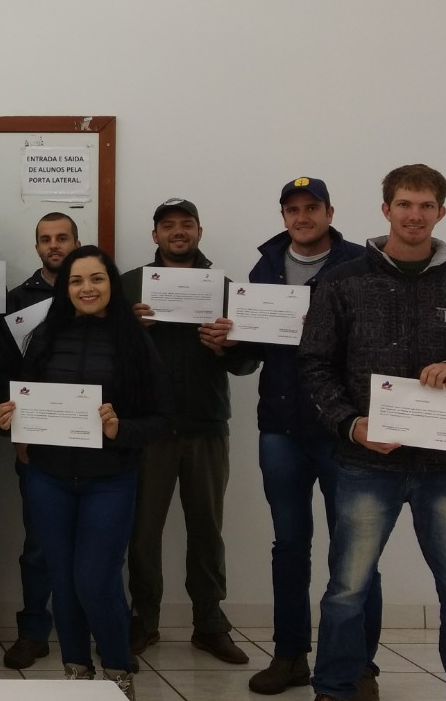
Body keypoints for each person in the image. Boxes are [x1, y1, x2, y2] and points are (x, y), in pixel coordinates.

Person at [302, 164, 446, 701]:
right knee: (347, 590)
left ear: (440, 212)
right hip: (365, 462)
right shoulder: (343, 281)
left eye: (425, 206)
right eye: (404, 204)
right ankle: (334, 689)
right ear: (386, 210)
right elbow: (315, 364)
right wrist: (351, 424)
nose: (414, 215)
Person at [213, 178, 380, 696]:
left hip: (344, 429)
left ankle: (358, 667)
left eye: (312, 208)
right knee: (289, 546)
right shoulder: (264, 267)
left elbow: (375, 341)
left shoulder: (360, 265)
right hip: (282, 426)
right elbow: (253, 352)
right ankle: (289, 657)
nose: (302, 217)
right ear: (283, 215)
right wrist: (229, 343)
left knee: (354, 551)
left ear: (330, 212)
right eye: (293, 209)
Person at [0, 246, 174, 701]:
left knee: (95, 580)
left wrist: (119, 428)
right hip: (48, 477)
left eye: (96, 279)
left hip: (109, 479)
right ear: (65, 288)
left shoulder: (135, 342)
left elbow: (163, 420)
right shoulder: (44, 336)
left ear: (111, 284)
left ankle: (118, 673)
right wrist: (8, 419)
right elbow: (22, 401)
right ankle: (76, 672)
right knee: (63, 579)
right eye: (76, 280)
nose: (86, 288)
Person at [122, 198, 257, 664]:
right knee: (143, 532)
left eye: (186, 224)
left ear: (199, 231)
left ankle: (210, 623)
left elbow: (248, 363)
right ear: (155, 235)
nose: (177, 232)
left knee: (206, 529)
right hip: (148, 429)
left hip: (205, 426)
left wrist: (228, 346)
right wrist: (130, 330)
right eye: (168, 225)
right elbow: (105, 353)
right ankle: (144, 619)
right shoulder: (129, 286)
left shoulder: (225, 289)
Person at [0, 211, 75, 670]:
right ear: (37, 246)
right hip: (37, 443)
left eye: (62, 238)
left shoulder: (99, 292)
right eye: (46, 239)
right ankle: (33, 631)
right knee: (39, 544)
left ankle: (93, 628)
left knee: (99, 545)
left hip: (95, 440)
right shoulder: (18, 301)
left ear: (76, 242)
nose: (54, 245)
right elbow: (3, 372)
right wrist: (16, 432)